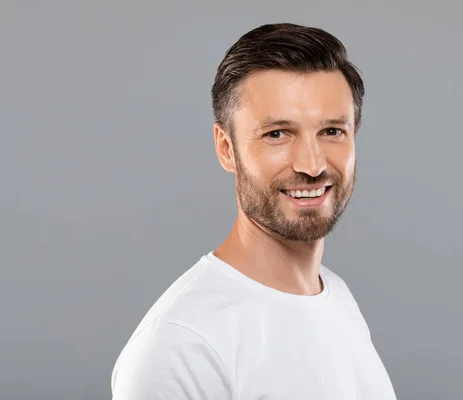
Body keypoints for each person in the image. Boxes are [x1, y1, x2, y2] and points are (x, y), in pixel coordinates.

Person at [111, 22, 397, 399]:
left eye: (331, 131)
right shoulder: (180, 347)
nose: (312, 165)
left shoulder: (336, 297)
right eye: (277, 134)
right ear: (226, 148)